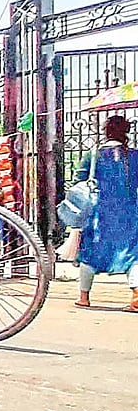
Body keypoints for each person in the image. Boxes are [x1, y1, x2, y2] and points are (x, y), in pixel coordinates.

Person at [74, 114, 138, 312]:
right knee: (131, 254)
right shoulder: (134, 155)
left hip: (99, 213)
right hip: (129, 212)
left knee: (90, 252)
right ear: (126, 132)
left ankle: (84, 297)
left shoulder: (94, 154)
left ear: (105, 131)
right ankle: (136, 297)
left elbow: (79, 180)